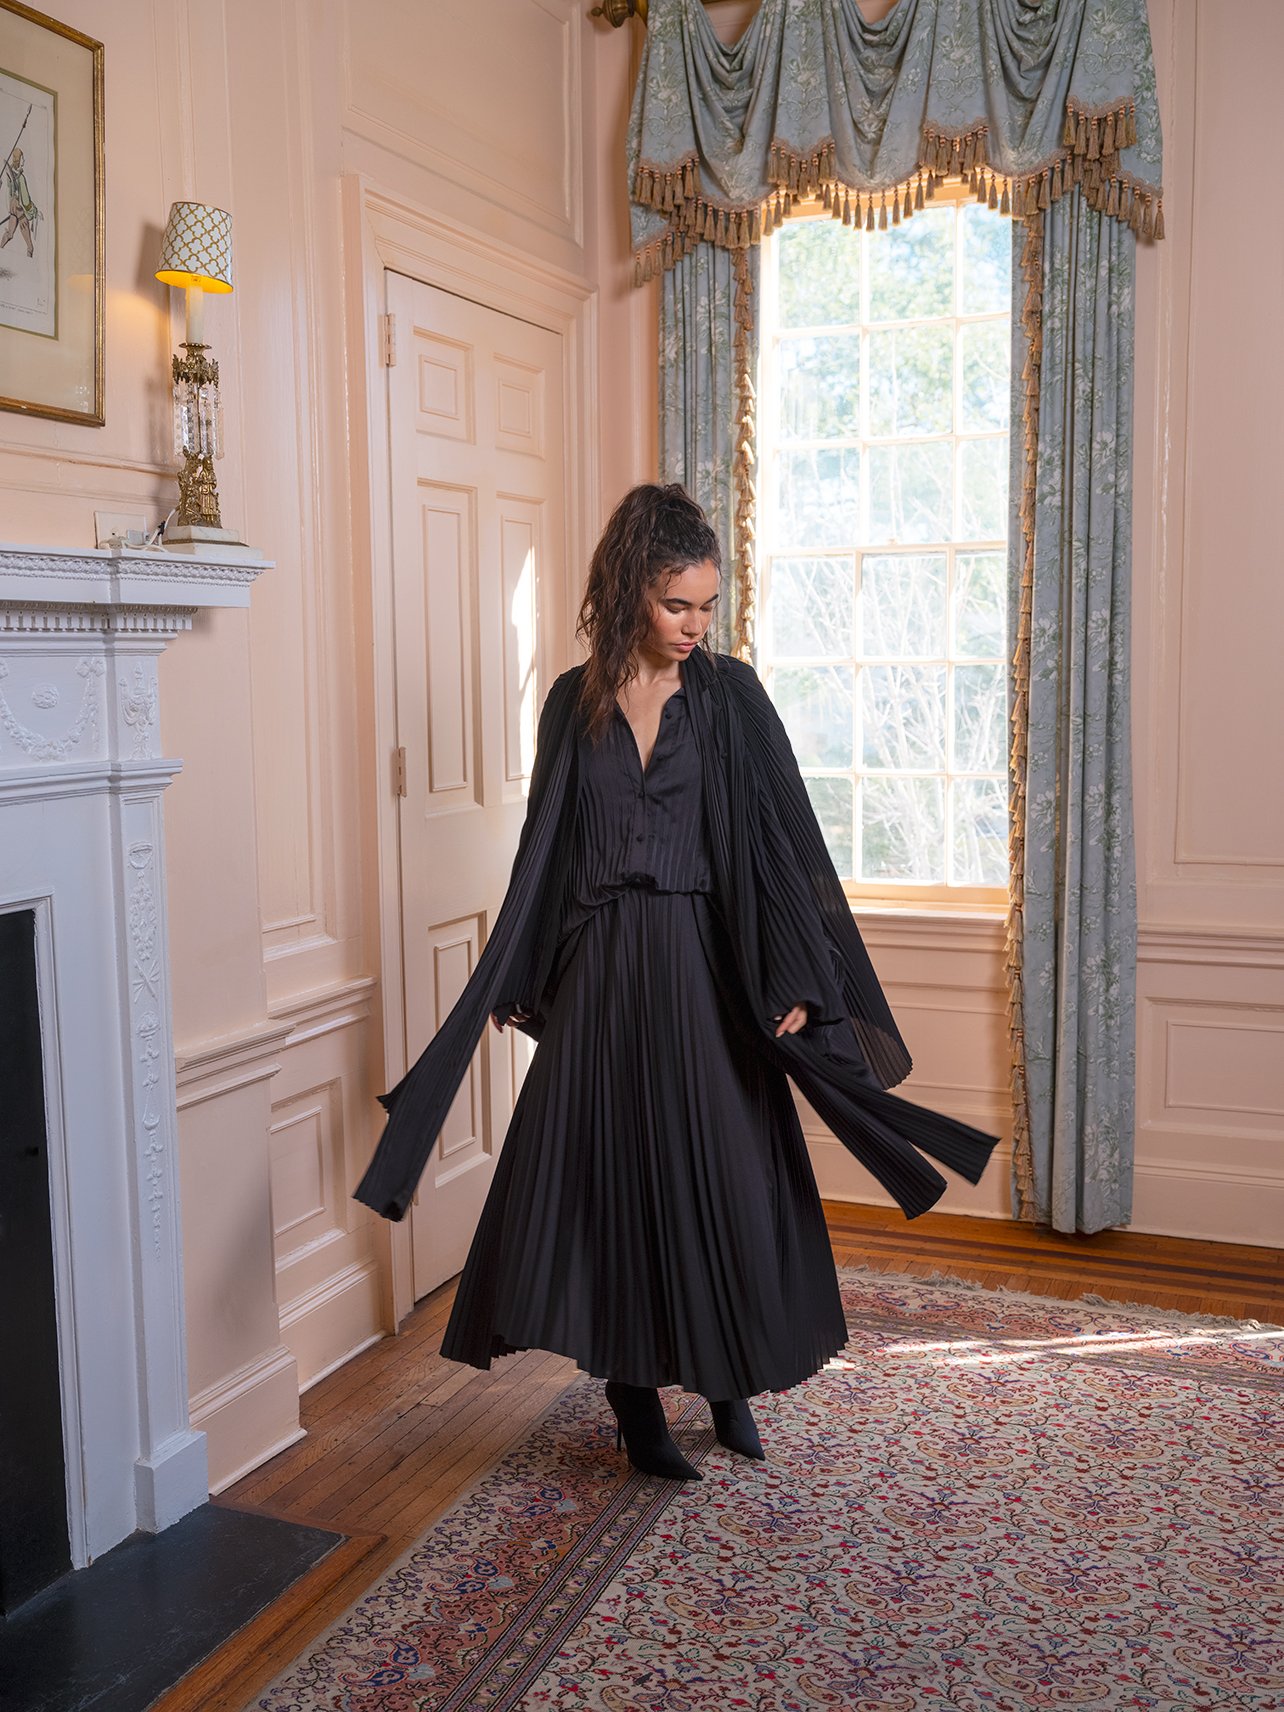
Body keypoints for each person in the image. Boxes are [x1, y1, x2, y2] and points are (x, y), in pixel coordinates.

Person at [355, 483, 999, 1481]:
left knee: (728, 1177)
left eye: (706, 604)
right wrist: (527, 969)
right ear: (628, 593)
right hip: (605, 972)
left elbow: (786, 843)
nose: (697, 624)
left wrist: (794, 973)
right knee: (615, 1187)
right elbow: (548, 845)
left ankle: (727, 1376)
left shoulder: (730, 696)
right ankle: (633, 1398)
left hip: (705, 965)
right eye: (676, 605)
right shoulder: (575, 701)